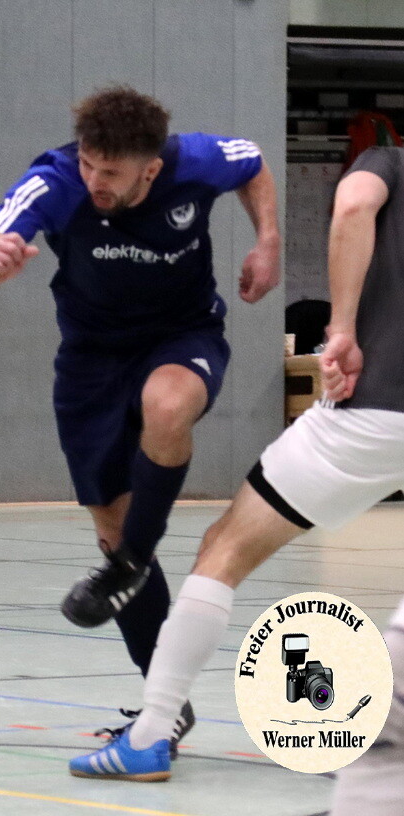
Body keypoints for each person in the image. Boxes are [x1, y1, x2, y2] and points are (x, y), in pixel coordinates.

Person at [68, 145, 404, 800]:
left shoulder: (387, 162)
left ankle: (150, 735)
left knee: (223, 550)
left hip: (372, 412)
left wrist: (340, 329)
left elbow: (354, 205)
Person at [0, 85, 280, 752]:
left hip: (182, 335)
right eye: (89, 164)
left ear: (150, 169)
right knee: (111, 528)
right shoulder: (55, 181)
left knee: (166, 405)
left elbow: (251, 161)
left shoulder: (195, 161)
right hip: (91, 362)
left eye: (111, 172)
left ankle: (130, 560)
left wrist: (268, 240)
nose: (94, 180)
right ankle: (165, 703)